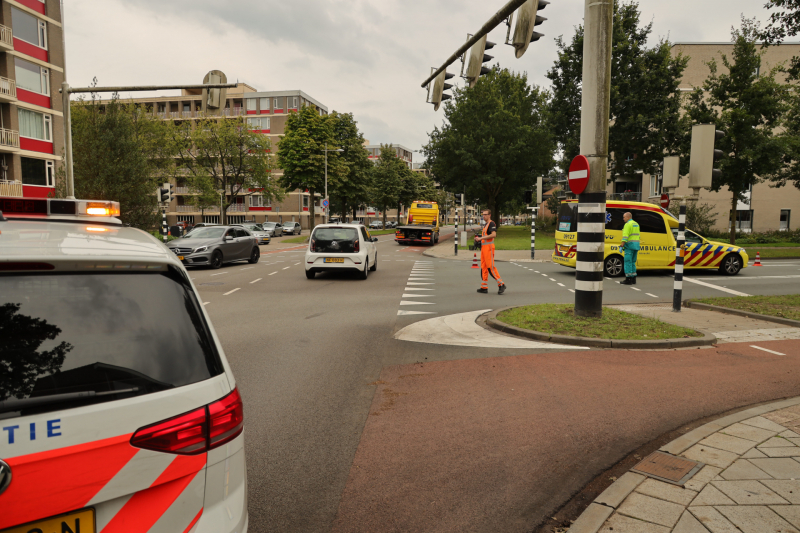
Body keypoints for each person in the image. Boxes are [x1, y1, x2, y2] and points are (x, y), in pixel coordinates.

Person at [474, 210, 506, 294]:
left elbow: (493, 235)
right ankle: (484, 287)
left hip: (489, 248)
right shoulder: (486, 225)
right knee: (484, 267)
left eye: (485, 215)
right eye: (483, 215)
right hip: (484, 248)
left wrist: (481, 238)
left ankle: (501, 284)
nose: (483, 216)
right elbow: (486, 236)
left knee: (490, 267)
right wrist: (479, 238)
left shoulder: (491, 223)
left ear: (489, 215)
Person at [620, 211, 640, 285]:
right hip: (636, 246)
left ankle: (628, 279)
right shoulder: (636, 224)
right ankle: (633, 278)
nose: (623, 219)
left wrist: (622, 245)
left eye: (624, 217)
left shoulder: (627, 224)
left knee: (628, 262)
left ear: (628, 217)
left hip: (629, 246)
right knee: (632, 262)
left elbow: (625, 236)